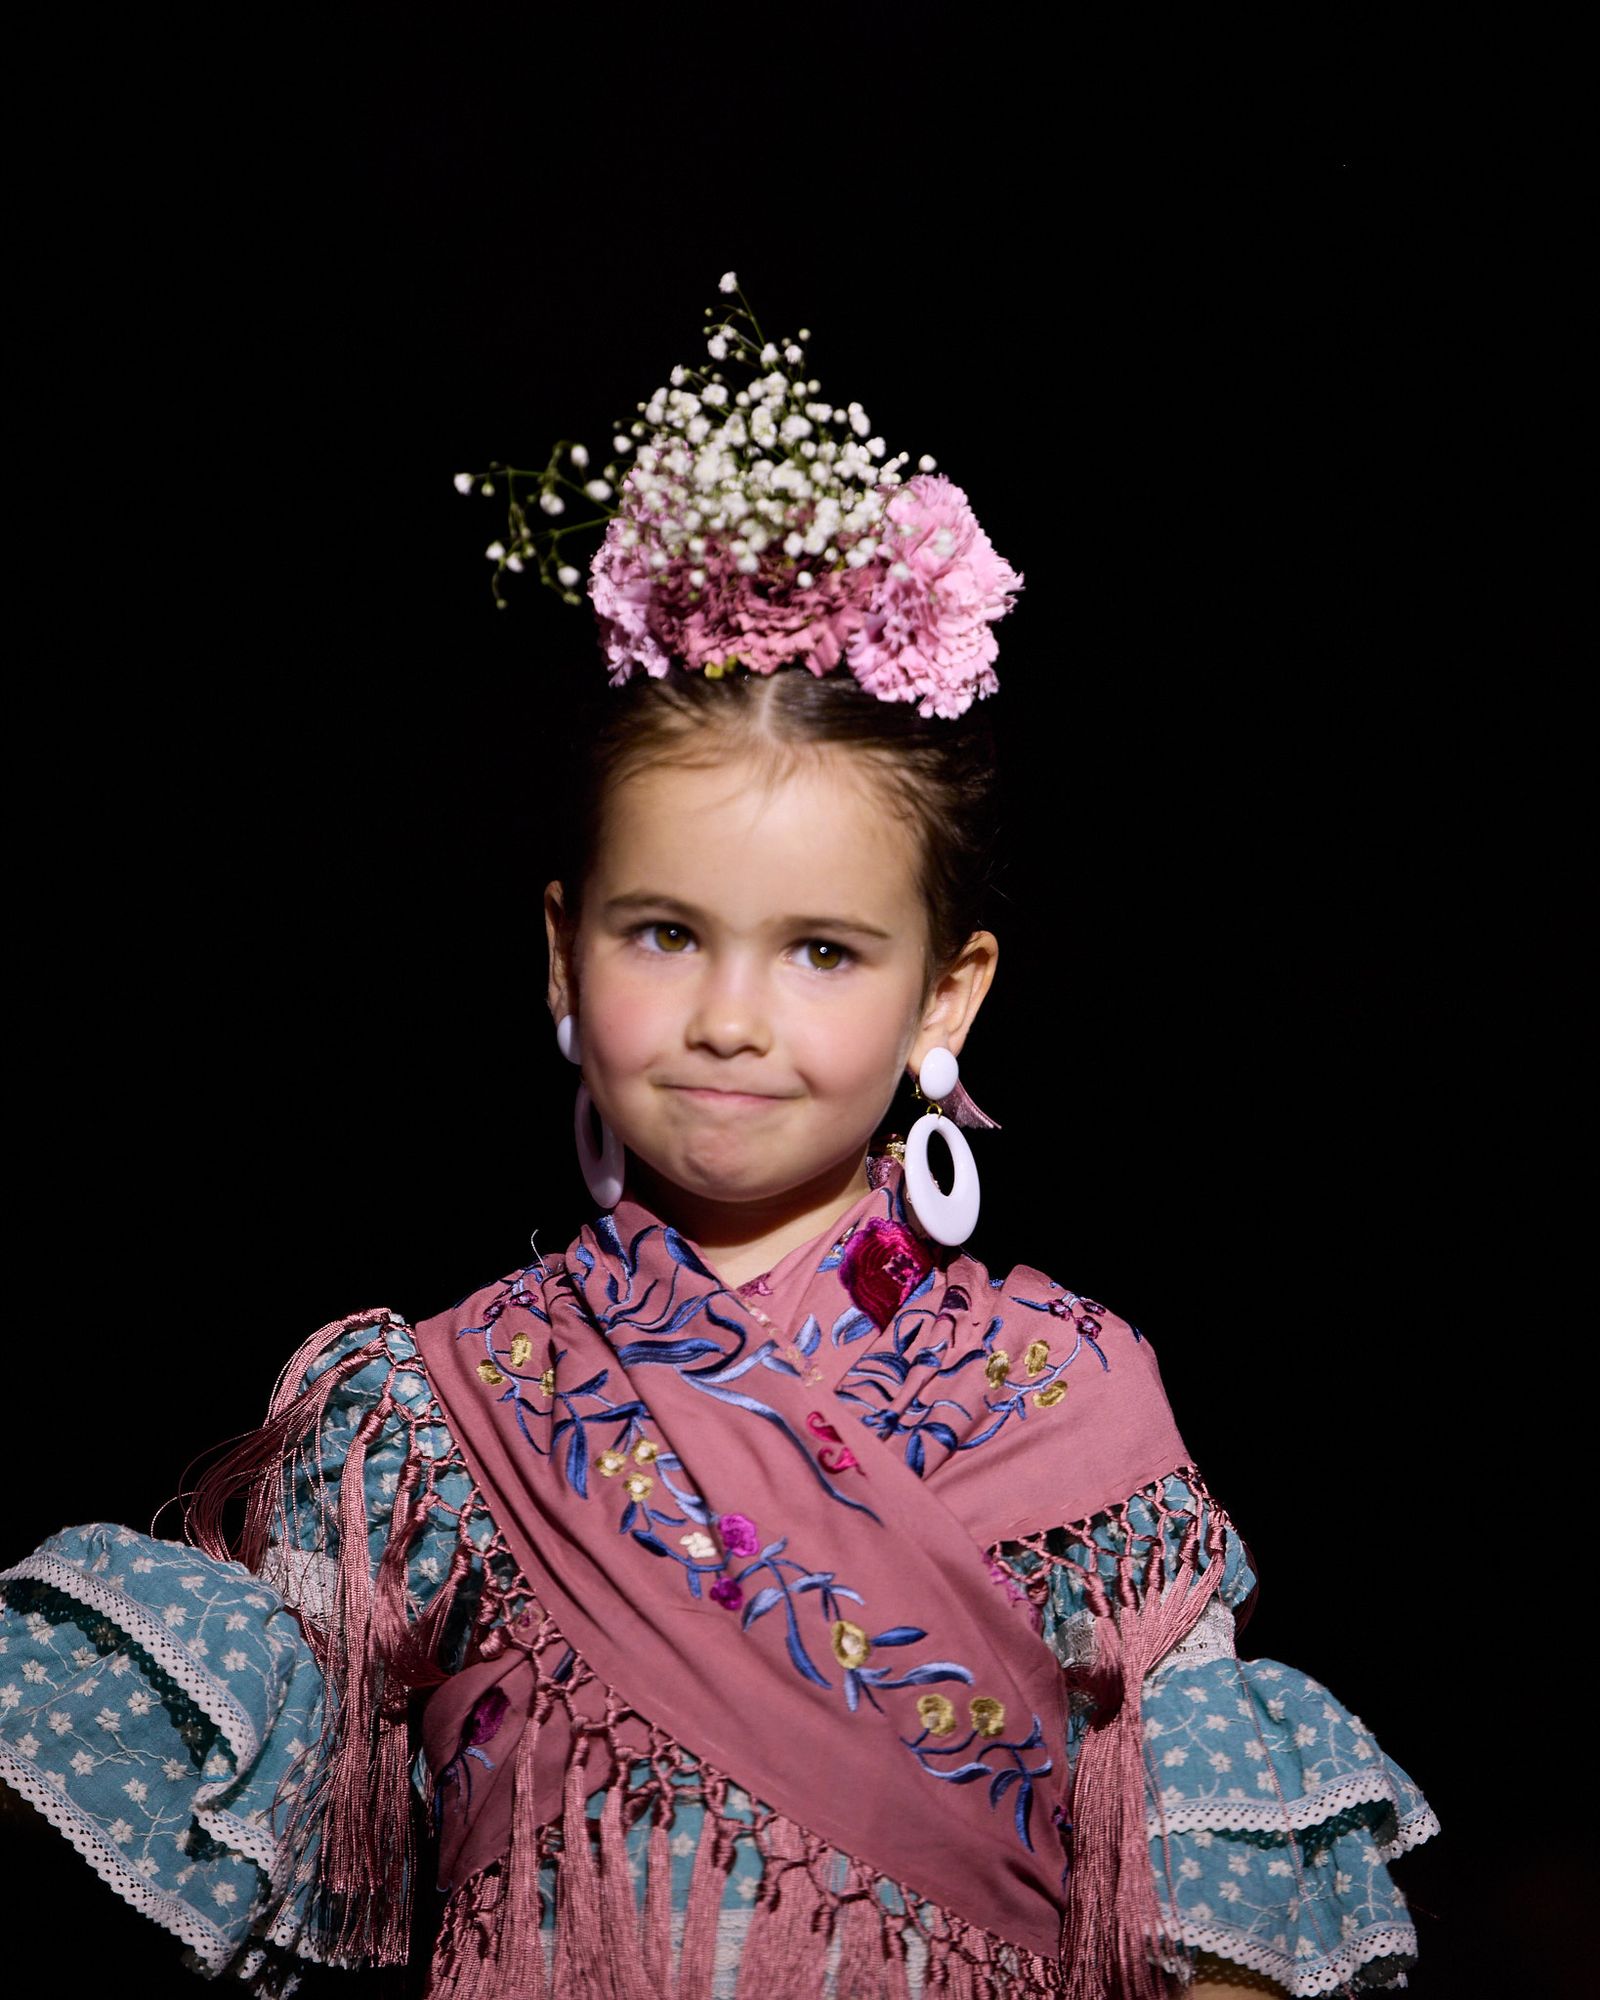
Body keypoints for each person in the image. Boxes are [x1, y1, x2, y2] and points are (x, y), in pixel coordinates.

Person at [0, 278, 1436, 1998]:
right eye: (664, 933)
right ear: (560, 948)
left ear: (946, 996)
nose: (731, 1017)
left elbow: (1212, 1932)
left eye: (823, 952)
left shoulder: (1075, 1415)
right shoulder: (430, 1424)